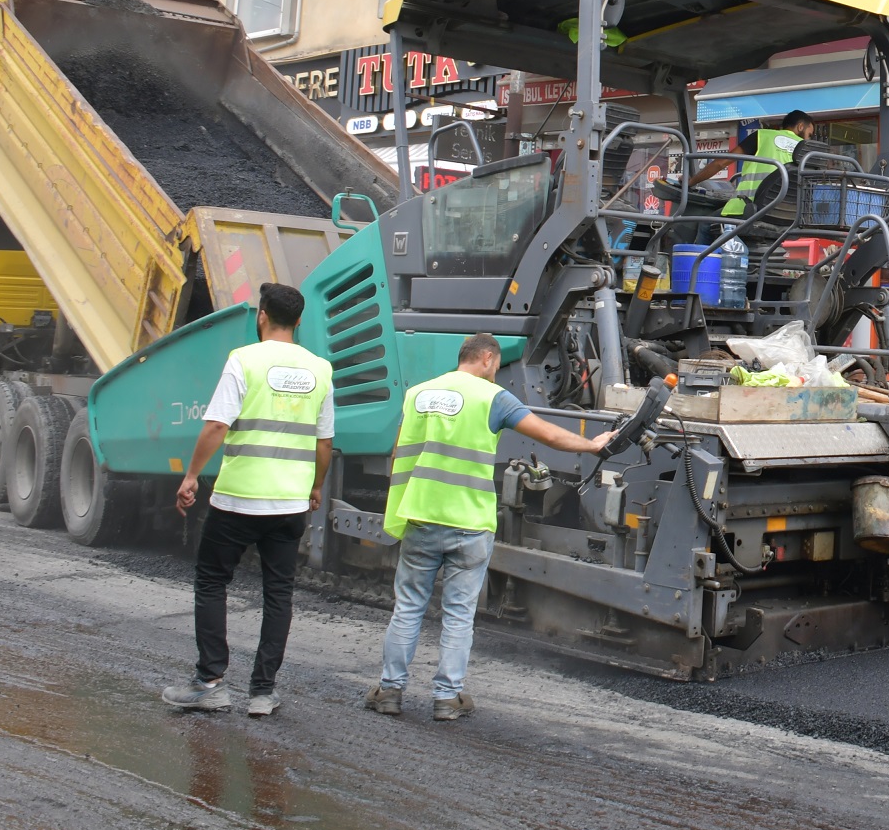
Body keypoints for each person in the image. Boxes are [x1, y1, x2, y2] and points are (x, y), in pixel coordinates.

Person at [365, 332, 606, 721]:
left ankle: (390, 692)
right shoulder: (492, 397)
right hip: (469, 525)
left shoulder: (419, 395)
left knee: (408, 609)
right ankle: (447, 698)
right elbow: (548, 434)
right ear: (488, 359)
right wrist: (593, 445)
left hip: (422, 517)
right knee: (458, 615)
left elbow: (399, 454)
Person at [162, 283, 333, 717]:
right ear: (298, 322)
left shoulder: (244, 360)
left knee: (212, 581)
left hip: (238, 500)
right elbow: (324, 442)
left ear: (261, 316)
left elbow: (218, 426)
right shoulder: (321, 370)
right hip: (290, 504)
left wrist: (192, 474)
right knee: (279, 592)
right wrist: (315, 486)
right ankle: (262, 692)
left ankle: (210, 682)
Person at [696, 111, 817, 218]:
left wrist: (691, 181)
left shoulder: (762, 136)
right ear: (800, 127)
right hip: (788, 214)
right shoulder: (807, 152)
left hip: (749, 208)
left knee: (705, 225)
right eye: (809, 134)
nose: (808, 139)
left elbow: (721, 163)